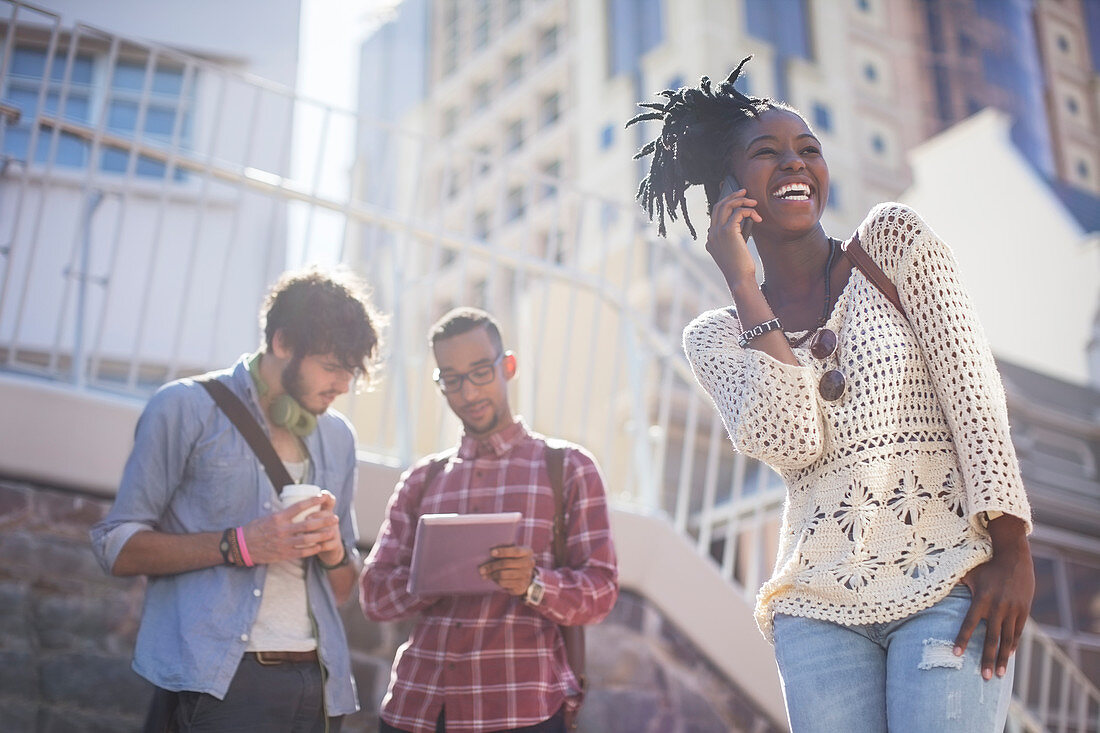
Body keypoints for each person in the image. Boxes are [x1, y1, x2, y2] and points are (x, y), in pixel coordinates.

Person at [627, 57, 1034, 732]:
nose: (795, 164)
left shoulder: (892, 242)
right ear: (730, 190)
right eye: (767, 153)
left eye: (807, 150)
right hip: (817, 611)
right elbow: (796, 441)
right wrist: (743, 284)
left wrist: (1013, 548)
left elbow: (974, 394)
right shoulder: (716, 339)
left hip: (947, 576)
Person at [90, 267, 382, 732]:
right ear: (283, 342)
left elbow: (345, 589)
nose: (344, 384)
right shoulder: (185, 408)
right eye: (332, 366)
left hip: (319, 682)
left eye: (351, 370)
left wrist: (333, 552)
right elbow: (116, 546)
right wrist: (239, 545)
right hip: (222, 680)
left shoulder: (338, 438)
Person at [361, 307, 618, 733]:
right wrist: (432, 576)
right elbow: (373, 597)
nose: (468, 392)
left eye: (481, 372)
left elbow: (602, 591)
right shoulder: (422, 480)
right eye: (452, 378)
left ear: (508, 366)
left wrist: (533, 583)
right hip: (415, 709)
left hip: (519, 712)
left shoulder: (569, 468)